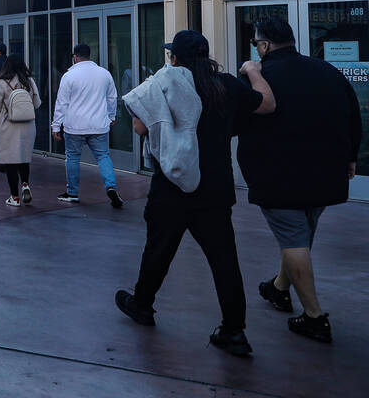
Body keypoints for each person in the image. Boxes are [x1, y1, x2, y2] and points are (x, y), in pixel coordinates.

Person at [115, 30, 276, 358]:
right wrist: (255, 73)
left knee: (158, 249)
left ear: (175, 58)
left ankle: (143, 305)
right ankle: (234, 331)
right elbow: (267, 104)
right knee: (224, 261)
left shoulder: (166, 84)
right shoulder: (227, 86)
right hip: (214, 189)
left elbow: (141, 127)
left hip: (170, 188)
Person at [238, 17, 361, 345]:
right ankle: (279, 289)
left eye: (256, 45)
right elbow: (353, 114)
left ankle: (314, 317)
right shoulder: (327, 72)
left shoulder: (261, 78)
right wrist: (351, 158)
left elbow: (242, 121)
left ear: (263, 46)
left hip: (279, 176)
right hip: (326, 174)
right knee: (299, 236)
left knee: (293, 239)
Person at [51, 43, 124, 208]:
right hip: (98, 124)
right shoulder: (104, 74)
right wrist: (111, 116)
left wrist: (56, 126)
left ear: (75, 57)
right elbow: (112, 98)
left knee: (73, 157)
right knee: (103, 156)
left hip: (74, 125)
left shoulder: (69, 76)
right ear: (89, 55)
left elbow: (61, 103)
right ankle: (111, 186)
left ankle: (72, 192)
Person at [0, 53, 42, 206]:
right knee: (24, 159)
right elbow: (37, 103)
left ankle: (15, 197)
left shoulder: (2, 83)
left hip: (9, 125)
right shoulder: (30, 81)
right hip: (28, 125)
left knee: (11, 160)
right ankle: (25, 184)